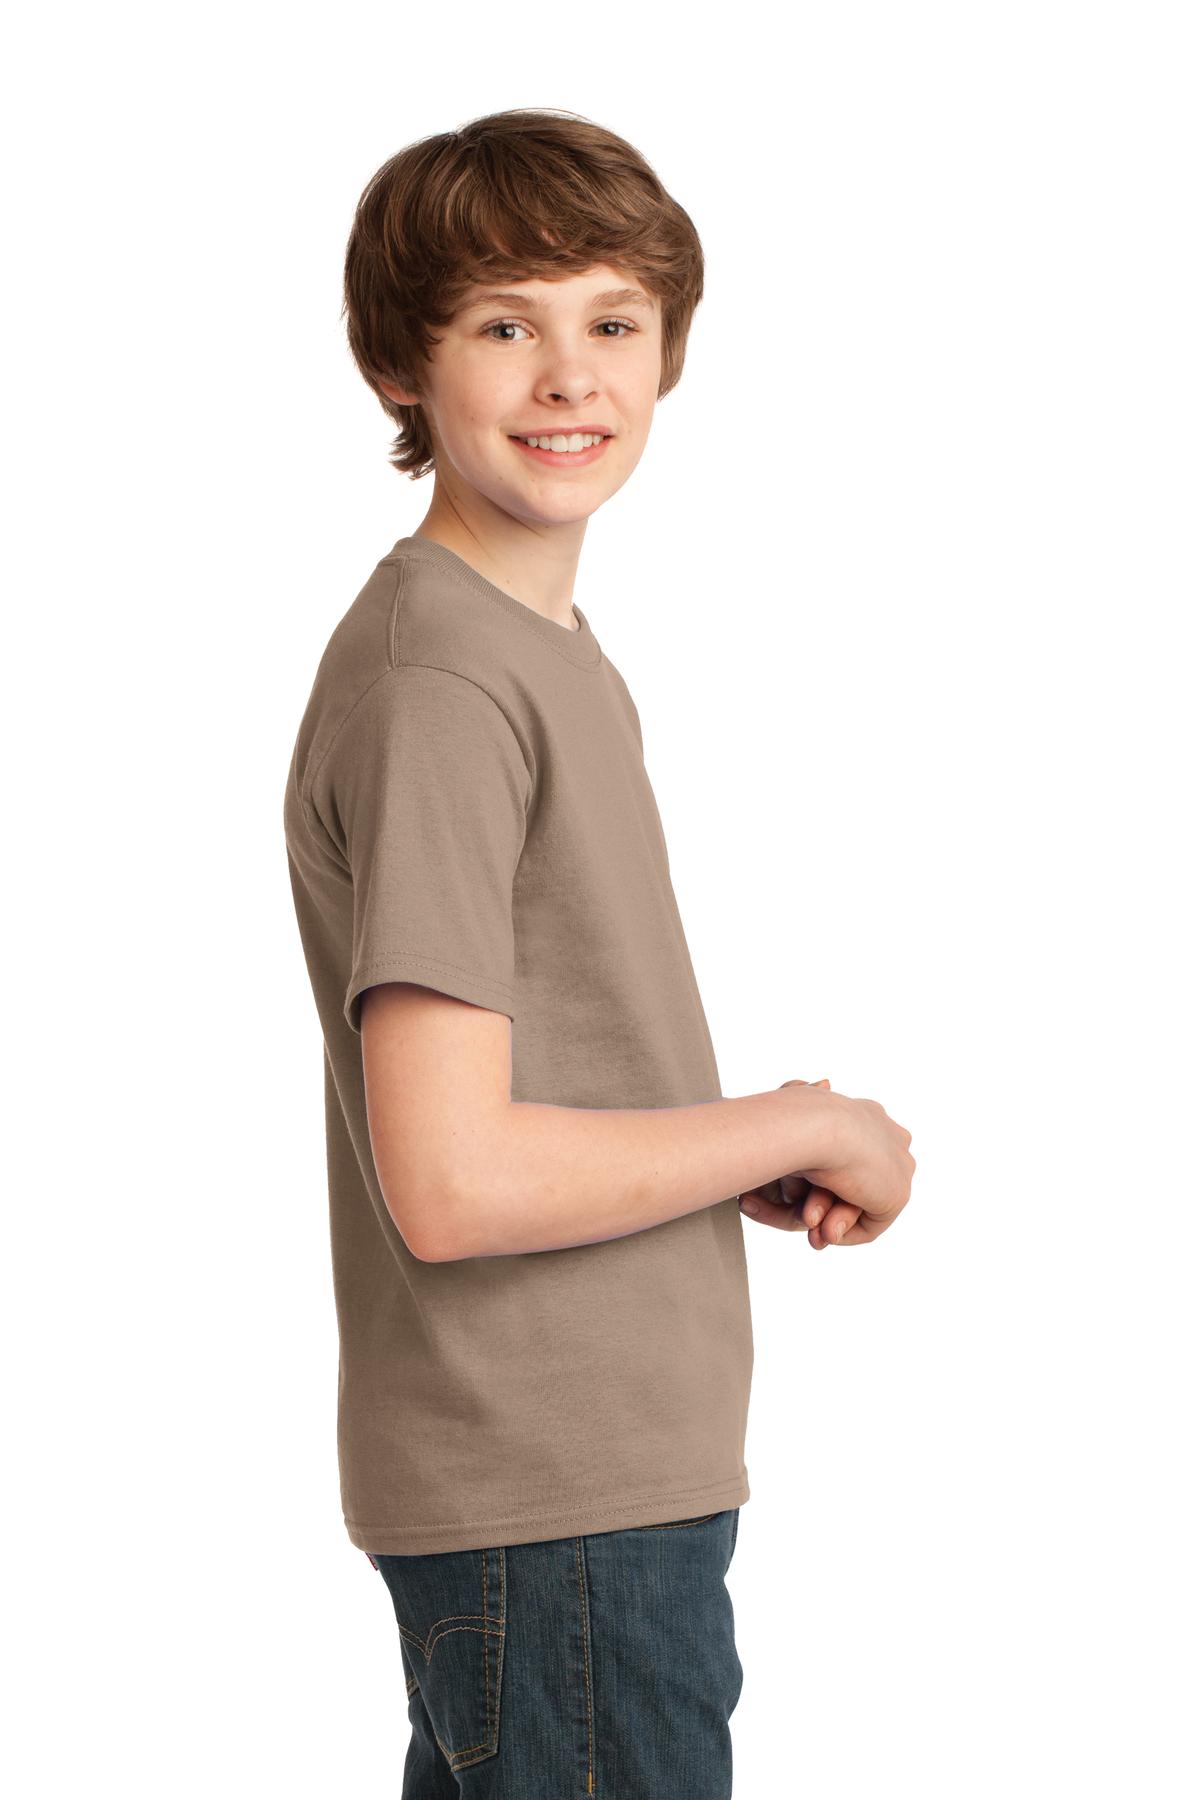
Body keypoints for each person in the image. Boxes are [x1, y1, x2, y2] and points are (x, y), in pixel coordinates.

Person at [282, 106, 915, 1799]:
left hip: (583, 1501)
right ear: (398, 364)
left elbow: (529, 1089)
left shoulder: (534, 649)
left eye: (613, 321)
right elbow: (453, 1179)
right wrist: (798, 1122)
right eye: (506, 326)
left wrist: (718, 1156)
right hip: (559, 1505)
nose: (571, 375)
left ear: (667, 352)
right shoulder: (444, 682)